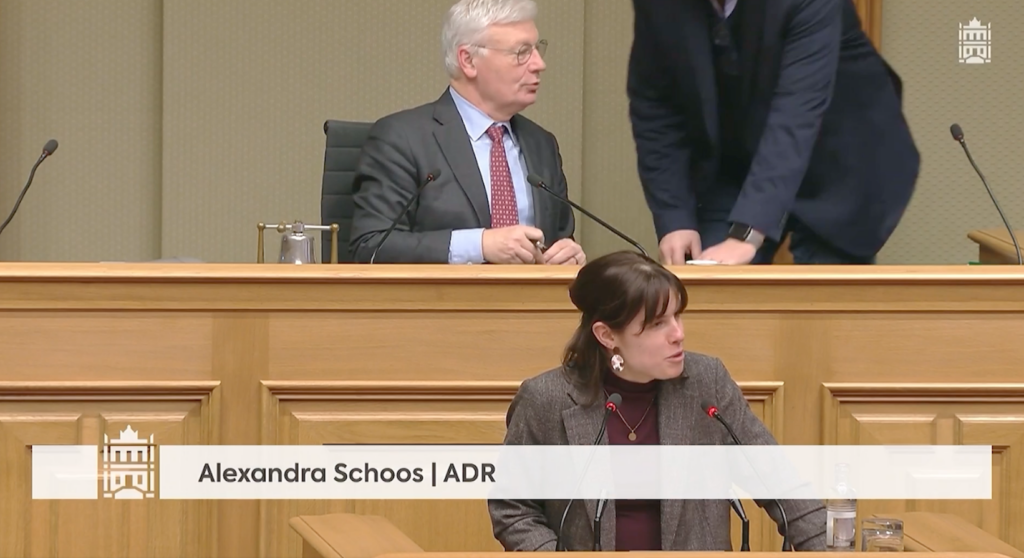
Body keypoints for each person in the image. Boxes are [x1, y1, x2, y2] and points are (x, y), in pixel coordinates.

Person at [488, 250, 826, 551]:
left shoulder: (707, 382)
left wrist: (828, 549)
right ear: (607, 335)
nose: (678, 334)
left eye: (678, 316)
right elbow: (513, 508)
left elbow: (778, 481)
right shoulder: (546, 399)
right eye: (657, 324)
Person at [627, 0, 920, 265]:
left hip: (839, 164)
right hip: (735, 167)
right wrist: (675, 217)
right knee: (709, 285)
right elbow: (655, 106)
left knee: (822, 299)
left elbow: (794, 118)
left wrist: (747, 234)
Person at [348, 0, 584, 265]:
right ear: (468, 60)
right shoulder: (402, 139)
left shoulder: (542, 144)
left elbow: (559, 238)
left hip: (530, 293)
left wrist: (567, 257)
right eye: (522, 52)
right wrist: (479, 245)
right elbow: (371, 247)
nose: (539, 64)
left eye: (537, 49)